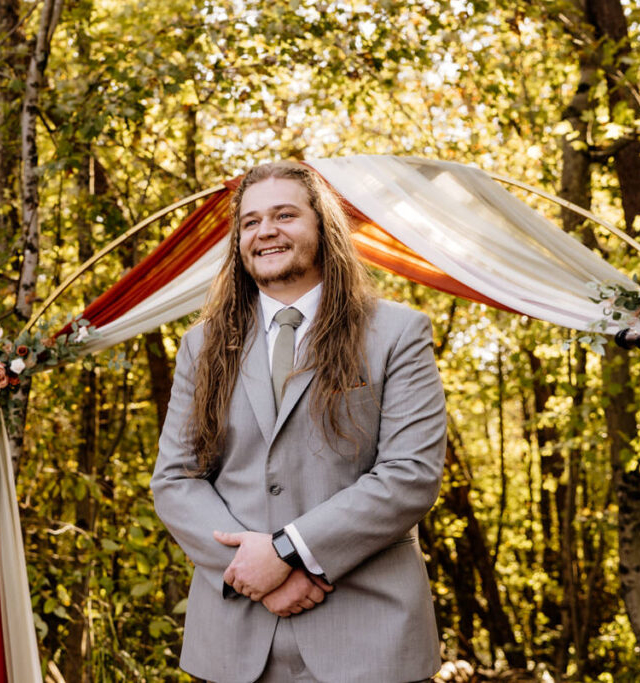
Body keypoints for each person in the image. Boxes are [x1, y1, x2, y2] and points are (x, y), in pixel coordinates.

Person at [151, 161, 447, 682]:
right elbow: (176, 480)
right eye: (250, 221)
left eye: (284, 215)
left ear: (323, 227)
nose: (265, 231)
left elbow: (409, 477)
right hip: (234, 643)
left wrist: (288, 552)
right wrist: (257, 574)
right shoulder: (202, 346)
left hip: (369, 640)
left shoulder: (398, 333)